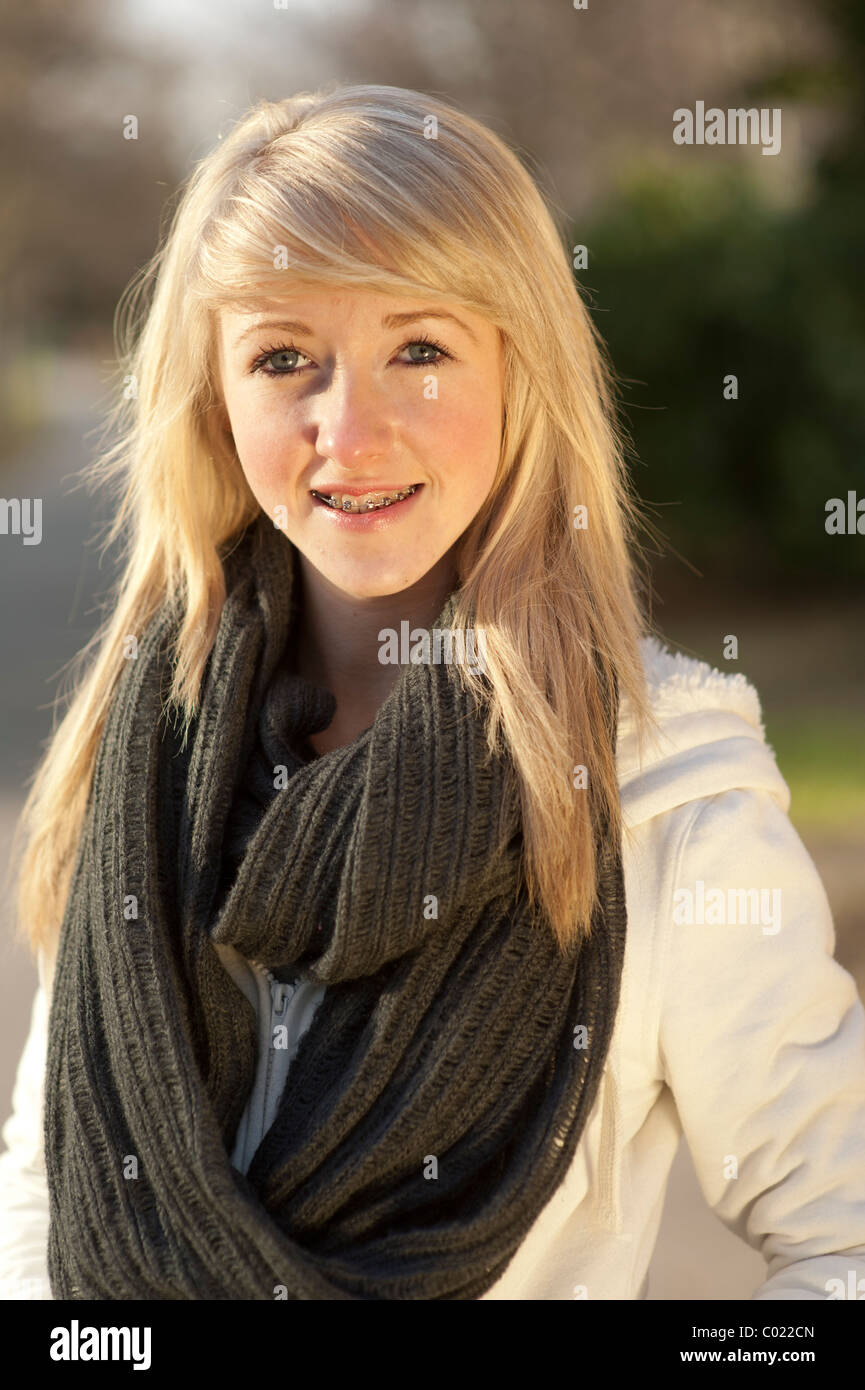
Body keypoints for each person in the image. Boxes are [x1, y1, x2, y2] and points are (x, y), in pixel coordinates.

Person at [1, 83, 864, 1301]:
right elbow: (43, 1191)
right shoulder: (147, 750)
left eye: (419, 349)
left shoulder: (667, 802)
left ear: (525, 371)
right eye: (284, 358)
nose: (347, 433)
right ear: (213, 400)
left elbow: (842, 1240)